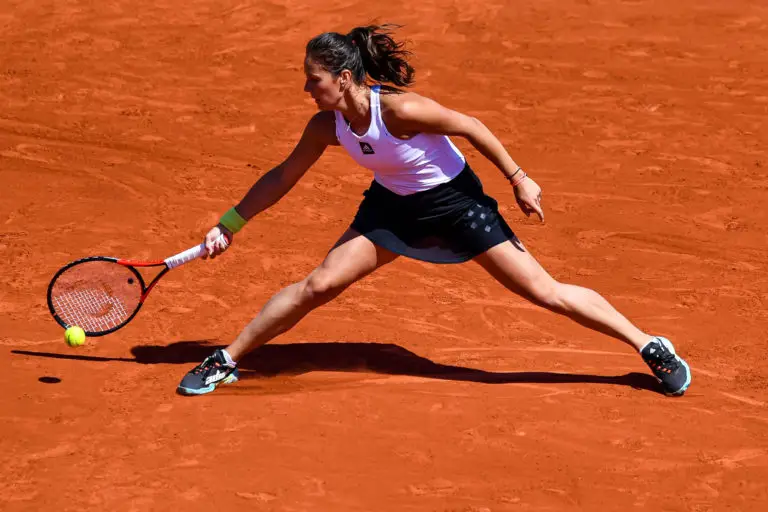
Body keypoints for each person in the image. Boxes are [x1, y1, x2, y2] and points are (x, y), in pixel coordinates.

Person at [176, 24, 691, 397]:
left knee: (544, 292)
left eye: (314, 80)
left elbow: (471, 126)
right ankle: (227, 358)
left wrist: (518, 178)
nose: (307, 88)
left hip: (455, 204)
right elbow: (282, 176)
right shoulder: (326, 126)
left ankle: (649, 345)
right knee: (319, 285)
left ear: (345, 77)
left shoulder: (400, 110)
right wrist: (231, 224)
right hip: (392, 207)